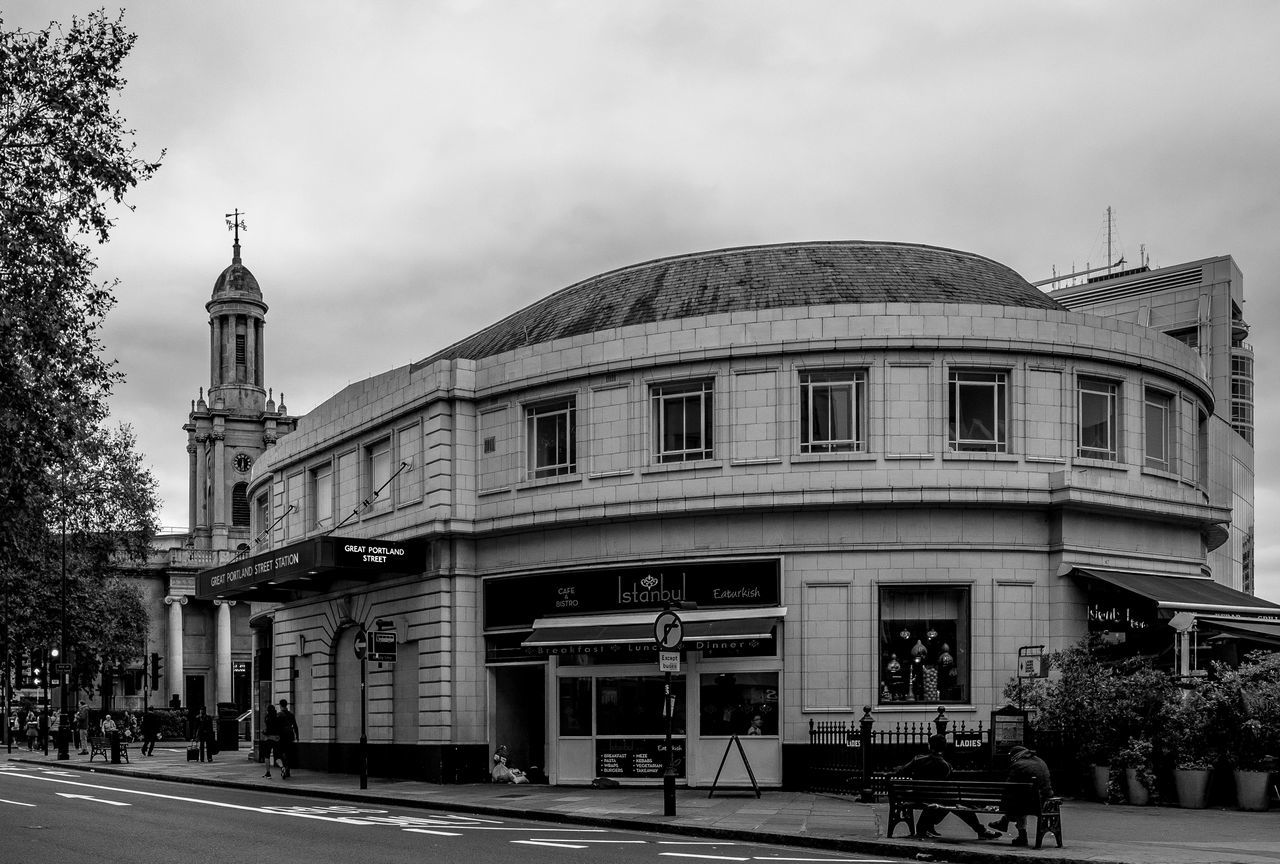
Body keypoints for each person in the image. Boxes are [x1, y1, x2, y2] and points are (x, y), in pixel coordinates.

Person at [893, 734, 1002, 841]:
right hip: (937, 799)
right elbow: (948, 785)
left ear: (929, 746)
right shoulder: (945, 765)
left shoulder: (918, 760)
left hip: (919, 796)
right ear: (944, 748)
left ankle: (926, 827)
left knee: (953, 802)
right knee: (956, 804)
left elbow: (901, 771)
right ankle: (980, 830)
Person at [988, 745, 1054, 847]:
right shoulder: (1040, 761)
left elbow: (1009, 787)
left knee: (1018, 802)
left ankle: (1015, 830)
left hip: (1029, 804)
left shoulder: (1018, 765)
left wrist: (1002, 806)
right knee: (1020, 800)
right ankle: (1004, 822)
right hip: (1046, 800)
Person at [277, 699, 299, 778]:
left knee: (282, 752)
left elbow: (277, 727)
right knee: (288, 752)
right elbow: (295, 726)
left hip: (282, 736)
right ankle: (288, 768)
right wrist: (297, 736)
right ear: (286, 705)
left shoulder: (279, 715)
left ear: (280, 705)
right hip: (290, 736)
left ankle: (284, 767)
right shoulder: (291, 714)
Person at [261, 704, 280, 778]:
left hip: (269, 738)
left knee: (267, 756)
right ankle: (282, 767)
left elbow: (267, 729)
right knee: (277, 756)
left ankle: (268, 773)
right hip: (276, 738)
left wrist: (264, 732)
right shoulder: (277, 717)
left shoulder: (267, 718)